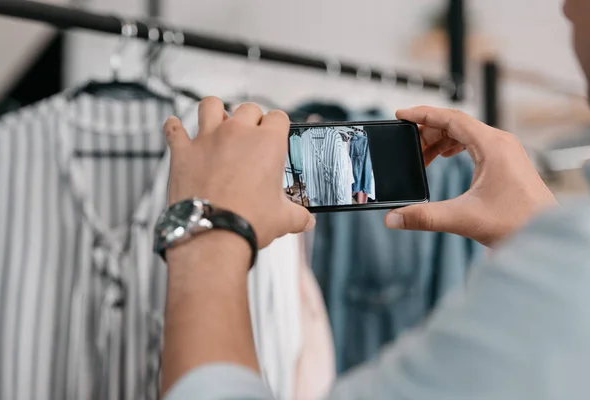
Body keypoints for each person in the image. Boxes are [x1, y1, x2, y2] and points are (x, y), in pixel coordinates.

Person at [158, 0, 590, 398]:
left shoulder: (570, 272)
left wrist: (208, 231)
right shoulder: (568, 267)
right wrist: (539, 231)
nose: (565, 6)